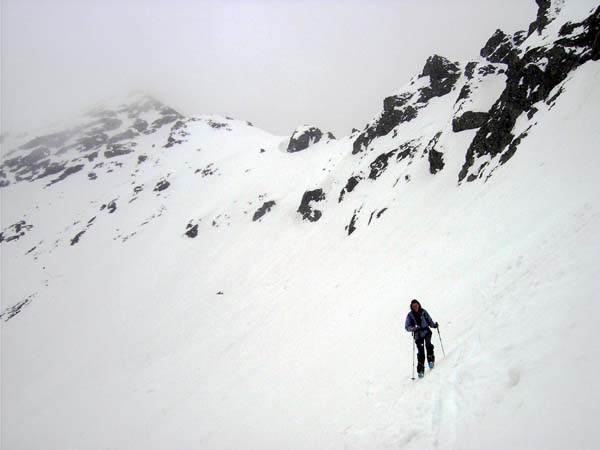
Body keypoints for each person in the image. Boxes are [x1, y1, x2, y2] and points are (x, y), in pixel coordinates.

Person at [405, 299, 438, 378]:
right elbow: (406, 327)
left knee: (428, 345)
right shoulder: (410, 315)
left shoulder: (423, 312)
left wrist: (434, 325)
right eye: (414, 306)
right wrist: (412, 328)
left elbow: (429, 320)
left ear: (419, 305)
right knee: (421, 352)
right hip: (418, 335)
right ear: (412, 307)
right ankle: (421, 370)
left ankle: (430, 361)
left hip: (426, 332)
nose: (415, 307)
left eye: (416, 305)